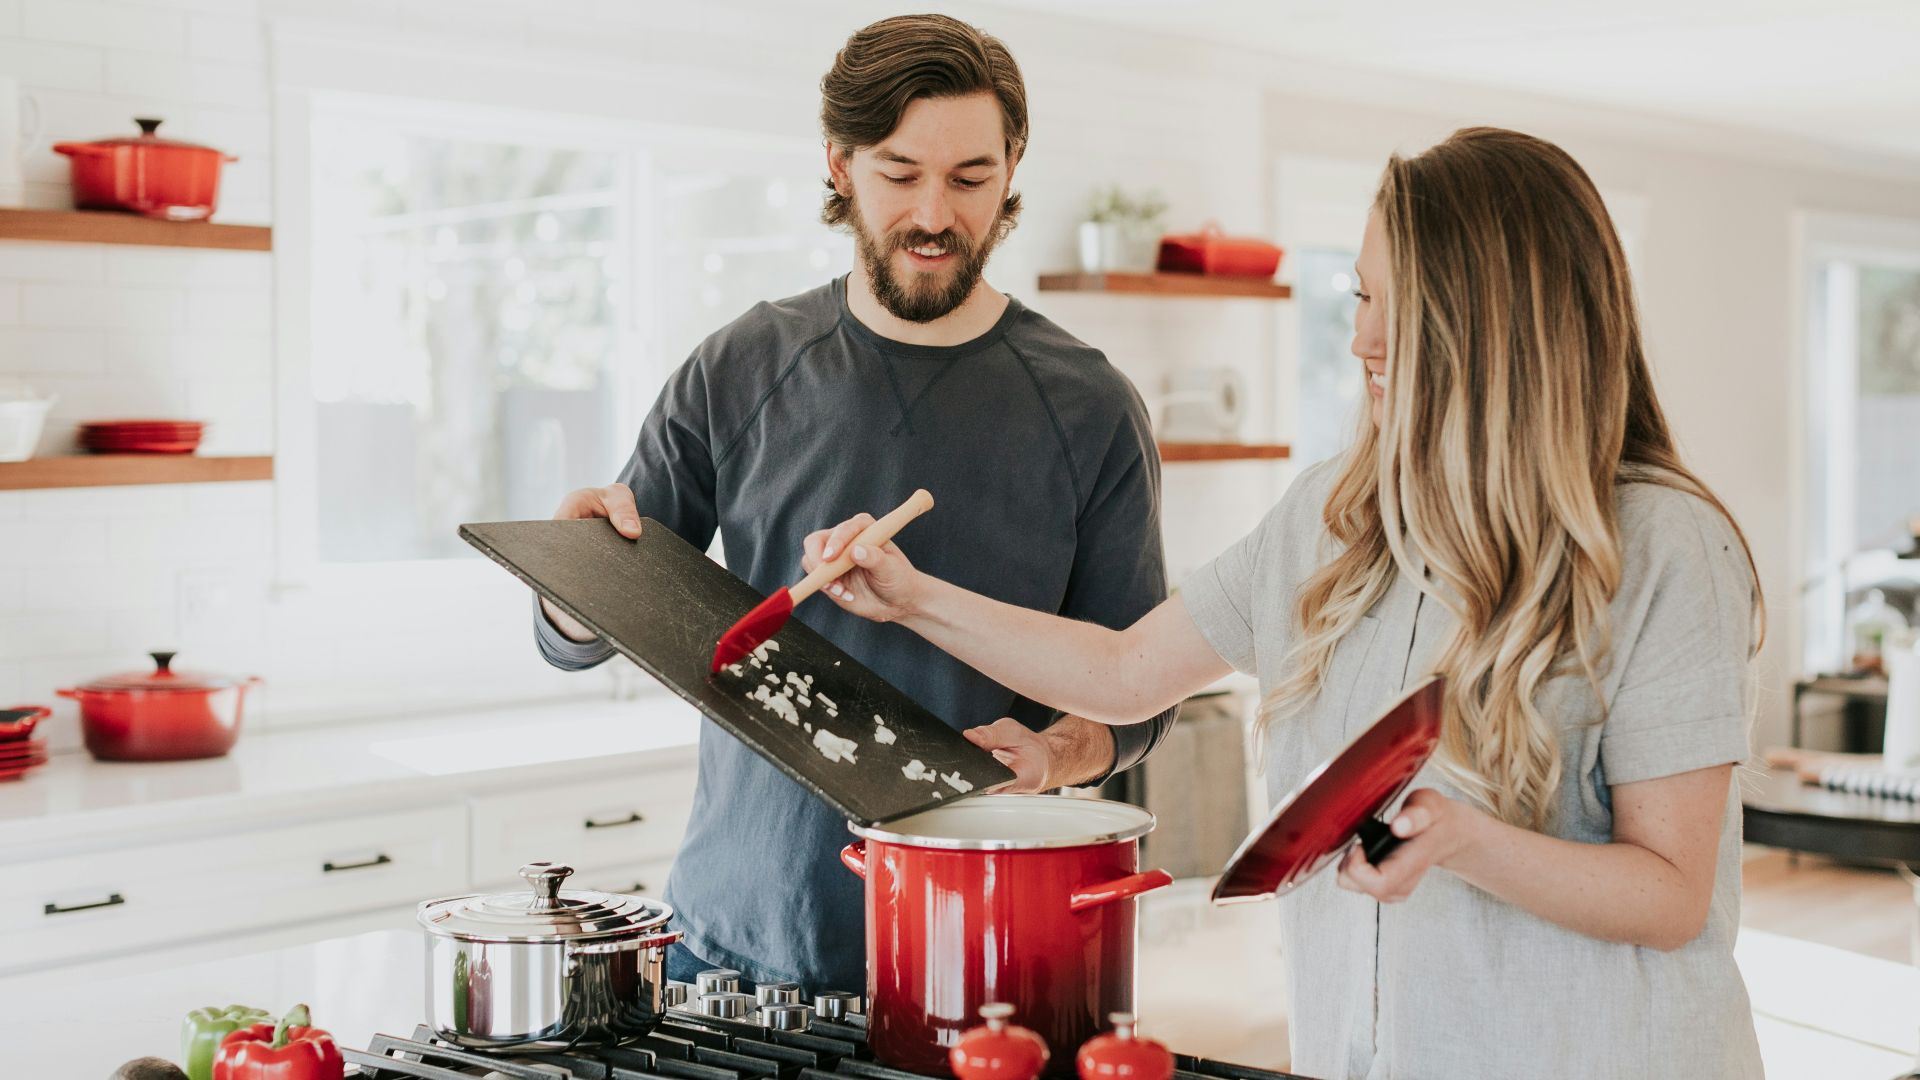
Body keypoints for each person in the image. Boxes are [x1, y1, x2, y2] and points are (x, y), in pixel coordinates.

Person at [805, 127, 1766, 1078]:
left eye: (1397, 305)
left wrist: (1468, 841)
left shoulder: (1664, 546)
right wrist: (912, 597)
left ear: (1497, 323)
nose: (1361, 338)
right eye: (1359, 295)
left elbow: (1674, 893)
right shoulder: (1331, 517)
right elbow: (1125, 672)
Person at [532, 13, 1174, 995]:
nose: (934, 213)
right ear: (839, 164)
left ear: (1011, 171)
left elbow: (1140, 696)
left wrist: (1056, 752)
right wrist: (571, 581)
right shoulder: (740, 366)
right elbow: (594, 618)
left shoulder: (1090, 408)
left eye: (969, 178)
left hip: (979, 953)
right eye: (900, 172)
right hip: (730, 947)